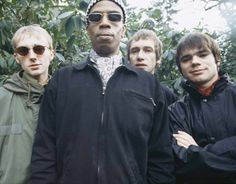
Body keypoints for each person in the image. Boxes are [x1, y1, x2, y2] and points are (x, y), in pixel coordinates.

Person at [30, 0, 175, 183]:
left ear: (123, 30)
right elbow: (44, 149)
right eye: (96, 17)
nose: (105, 22)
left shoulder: (148, 85)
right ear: (87, 28)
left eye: (114, 17)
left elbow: (160, 156)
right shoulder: (63, 80)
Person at [169, 32, 236, 183]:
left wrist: (197, 151)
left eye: (202, 54)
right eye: (186, 59)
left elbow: (191, 158)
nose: (195, 62)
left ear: (216, 59)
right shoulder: (176, 111)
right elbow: (181, 163)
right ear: (181, 68)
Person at [0, 25, 54, 184]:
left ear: (51, 53)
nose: (32, 56)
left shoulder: (64, 98)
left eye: (39, 49)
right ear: (16, 57)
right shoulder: (2, 98)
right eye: (24, 51)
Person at [127, 29, 178, 105]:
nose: (140, 56)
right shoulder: (116, 91)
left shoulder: (169, 98)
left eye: (147, 50)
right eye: (134, 51)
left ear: (158, 59)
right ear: (128, 60)